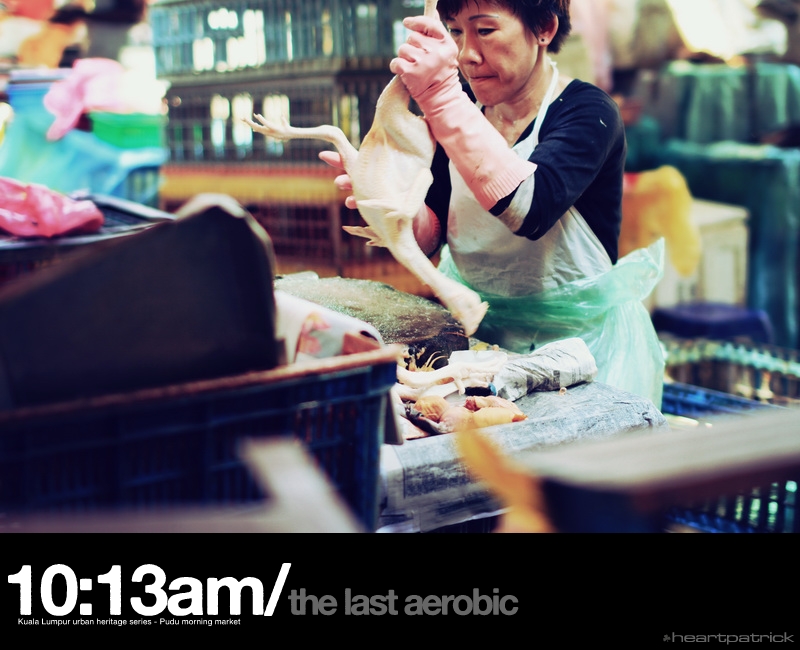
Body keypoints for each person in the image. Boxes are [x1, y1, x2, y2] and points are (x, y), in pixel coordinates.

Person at [323, 0, 665, 407]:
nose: (466, 54)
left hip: (582, 356)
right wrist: (393, 209)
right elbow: (435, 229)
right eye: (455, 31)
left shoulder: (587, 112)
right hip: (481, 347)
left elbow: (530, 207)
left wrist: (441, 98)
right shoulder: (462, 108)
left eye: (484, 30)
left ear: (544, 29)